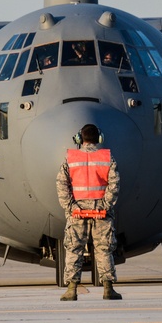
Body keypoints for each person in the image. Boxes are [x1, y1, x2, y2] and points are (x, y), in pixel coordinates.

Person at [56, 123, 121, 301]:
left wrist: (71, 207)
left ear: (79, 138)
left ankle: (71, 290)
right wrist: (105, 205)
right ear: (99, 138)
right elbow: (114, 184)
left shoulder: (70, 158)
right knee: (104, 249)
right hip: (101, 213)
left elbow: (62, 184)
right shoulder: (107, 158)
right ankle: (108, 289)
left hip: (77, 213)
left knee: (74, 248)